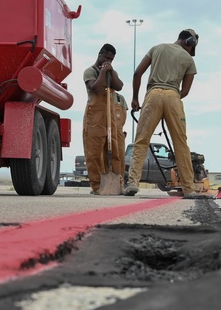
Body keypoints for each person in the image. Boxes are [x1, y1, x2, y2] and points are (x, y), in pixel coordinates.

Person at [125, 29, 203, 198]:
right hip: (173, 97)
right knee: (180, 144)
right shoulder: (188, 59)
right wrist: (171, 99)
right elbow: (186, 91)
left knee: (141, 141)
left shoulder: (157, 48)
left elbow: (137, 73)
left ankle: (132, 183)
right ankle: (188, 188)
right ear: (189, 42)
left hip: (152, 96)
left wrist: (135, 98)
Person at [82, 44, 124, 195]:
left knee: (114, 151)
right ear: (100, 54)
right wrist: (103, 72)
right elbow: (95, 88)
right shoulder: (90, 71)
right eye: (106, 57)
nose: (108, 61)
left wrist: (110, 72)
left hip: (110, 116)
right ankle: (97, 186)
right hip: (95, 116)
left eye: (111, 59)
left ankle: (117, 184)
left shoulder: (111, 72)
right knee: (94, 152)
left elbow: (119, 86)